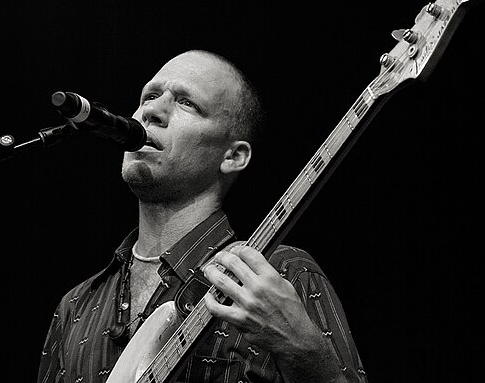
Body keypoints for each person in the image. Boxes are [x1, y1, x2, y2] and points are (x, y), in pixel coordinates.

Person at [37, 50, 368, 383]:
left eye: (186, 103)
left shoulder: (280, 274)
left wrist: (302, 349)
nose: (151, 111)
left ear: (233, 156)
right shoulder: (77, 306)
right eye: (149, 96)